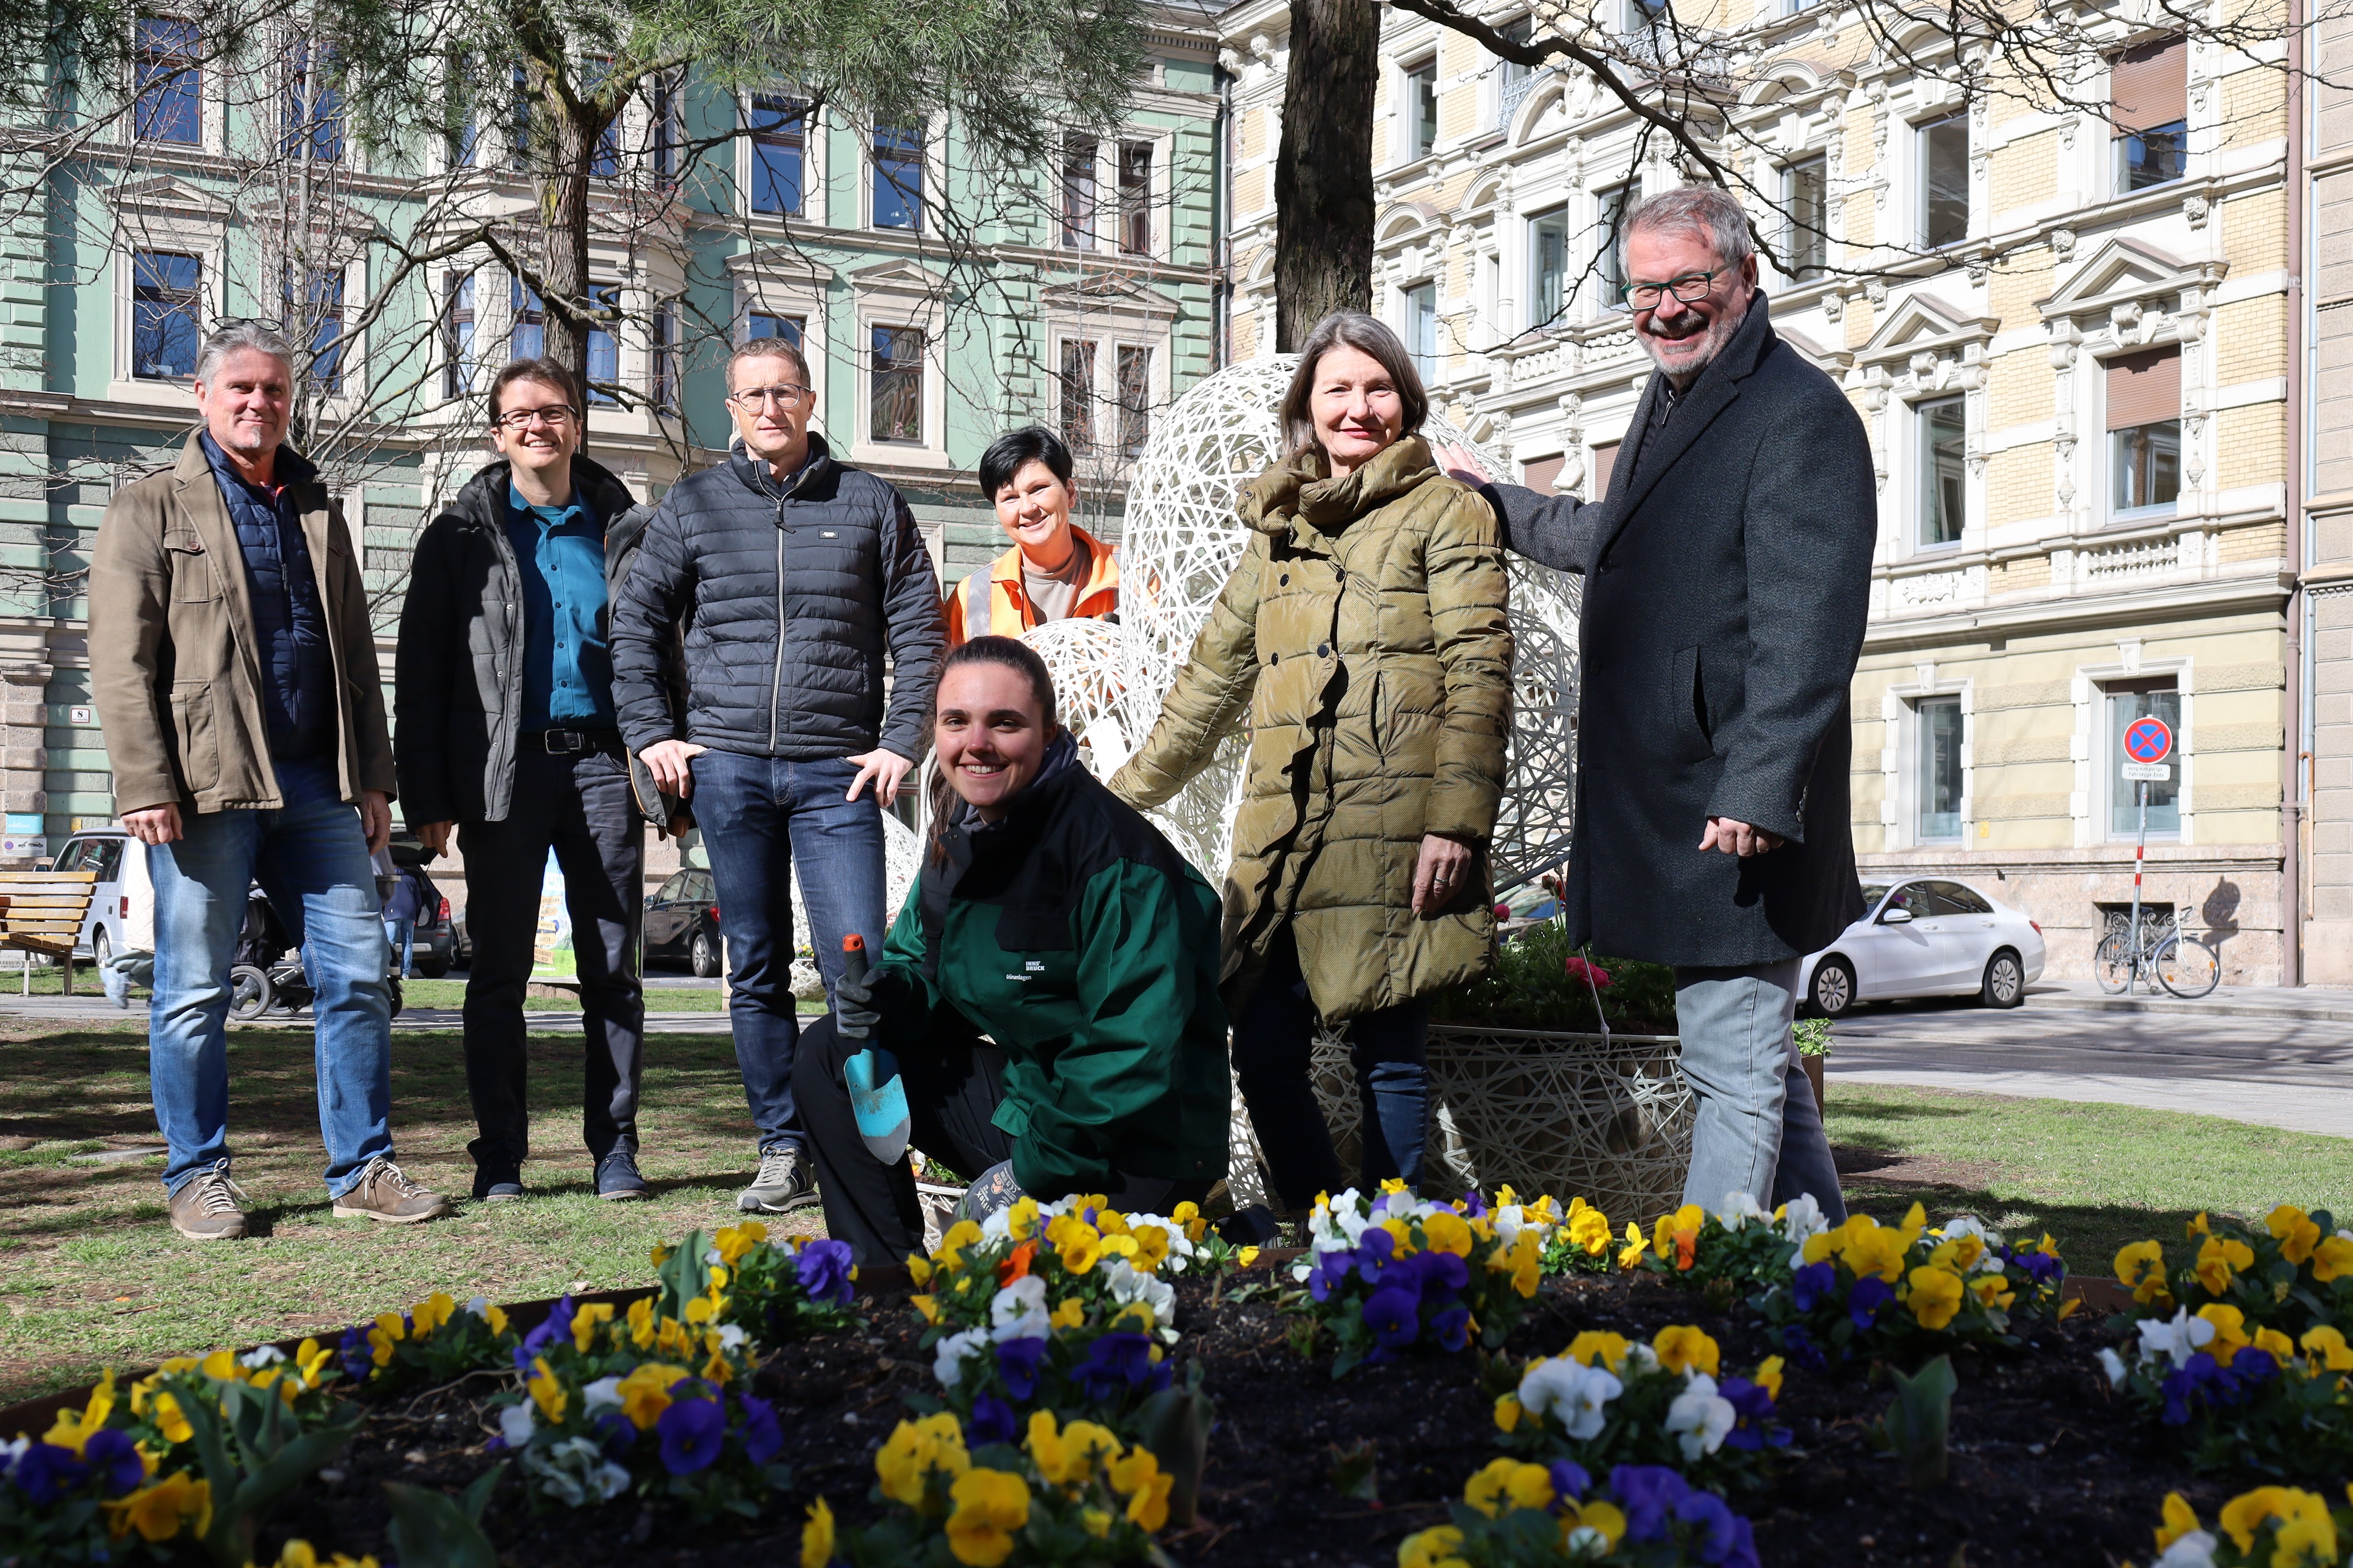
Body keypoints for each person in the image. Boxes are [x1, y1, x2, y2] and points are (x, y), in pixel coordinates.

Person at [1439, 185, 1873, 1221]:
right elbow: (1617, 538)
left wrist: (1763, 786)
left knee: (1729, 1063)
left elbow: (1807, 628)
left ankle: (1711, 1287)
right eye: (1643, 289)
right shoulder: (1673, 398)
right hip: (1678, 798)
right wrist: (1499, 504)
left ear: (1743, 277)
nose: (1664, 309)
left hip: (1735, 812)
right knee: (1750, 1059)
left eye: (1688, 283)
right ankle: (1832, 1275)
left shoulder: (1796, 416)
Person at [1110, 310, 1513, 1220]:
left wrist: (1456, 821)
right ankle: (1326, 1221)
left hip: (1399, 826)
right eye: (1338, 389)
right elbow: (1211, 678)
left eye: (1377, 388)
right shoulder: (1279, 528)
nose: (1357, 408)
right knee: (1261, 1048)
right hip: (1284, 835)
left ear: (1405, 401)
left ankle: (1391, 1238)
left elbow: (1480, 670)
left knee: (1392, 1055)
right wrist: (1121, 797)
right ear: (1308, 407)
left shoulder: (1445, 511)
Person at [88, 321, 451, 1241]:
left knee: (361, 977)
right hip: (207, 789)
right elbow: (120, 661)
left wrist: (375, 775)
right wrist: (142, 782)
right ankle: (197, 1175)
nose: (260, 404)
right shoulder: (149, 506)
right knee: (192, 991)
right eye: (242, 388)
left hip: (321, 786)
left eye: (276, 391)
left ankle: (364, 1169)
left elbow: (358, 659)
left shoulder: (316, 505)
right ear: (204, 396)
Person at [612, 336, 946, 1216]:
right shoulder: (693, 504)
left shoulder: (872, 503)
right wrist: (654, 734)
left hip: (837, 775)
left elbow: (921, 630)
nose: (769, 408)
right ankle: (782, 1146)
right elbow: (637, 623)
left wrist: (900, 742)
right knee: (754, 966)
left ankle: (878, 1141)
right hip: (727, 772)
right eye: (752, 394)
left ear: (809, 399)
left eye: (784, 392)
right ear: (733, 408)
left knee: (858, 969)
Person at [798, 636, 1229, 1265]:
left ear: (1051, 736)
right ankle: (886, 1284)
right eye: (956, 722)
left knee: (1059, 1292)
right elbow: (926, 971)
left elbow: (1131, 1052)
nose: (977, 743)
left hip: (1138, 1147)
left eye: (1005, 723)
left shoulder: (1113, 860)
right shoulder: (965, 836)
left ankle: (1189, 1239)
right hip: (1043, 1106)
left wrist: (1029, 1174)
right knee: (831, 1052)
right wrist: (887, 996)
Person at [396, 358, 663, 1203]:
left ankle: (614, 1147)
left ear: (576, 424)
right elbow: (422, 675)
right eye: (519, 415)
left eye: (552, 412)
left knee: (613, 969)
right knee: (499, 972)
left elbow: (664, 656)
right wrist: (428, 797)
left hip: (602, 768)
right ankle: (500, 1156)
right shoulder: (458, 536)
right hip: (501, 775)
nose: (537, 427)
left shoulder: (627, 529)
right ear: (496, 432)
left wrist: (669, 780)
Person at [944, 426, 1119, 646]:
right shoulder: (972, 596)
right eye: (1010, 498)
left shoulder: (1134, 574)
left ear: (1071, 493)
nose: (1027, 508)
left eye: (1038, 489)